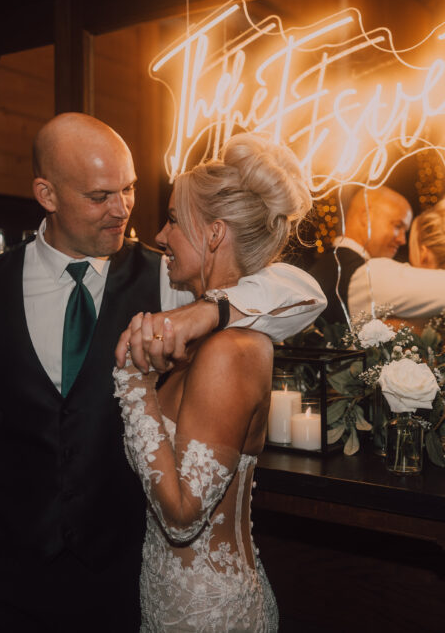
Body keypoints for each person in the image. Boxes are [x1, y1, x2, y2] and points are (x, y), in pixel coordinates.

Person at [0, 113, 325, 631]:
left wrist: (206, 310)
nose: (122, 209)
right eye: (100, 196)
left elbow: (301, 293)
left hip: (118, 588)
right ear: (47, 194)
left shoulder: (171, 282)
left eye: (128, 189)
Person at [113, 133, 310, 631]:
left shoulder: (231, 349)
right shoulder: (201, 334)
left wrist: (134, 383)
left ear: (216, 233)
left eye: (175, 220)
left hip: (211, 613)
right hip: (167, 600)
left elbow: (183, 516)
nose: (160, 235)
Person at [348, 191, 445, 322]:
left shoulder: (378, 274)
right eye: (397, 226)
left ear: (424, 252)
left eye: (408, 236)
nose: (403, 241)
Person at [306, 186, 412, 324]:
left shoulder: (327, 265)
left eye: (406, 231)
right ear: (365, 216)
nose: (402, 240)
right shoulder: (360, 272)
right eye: (398, 226)